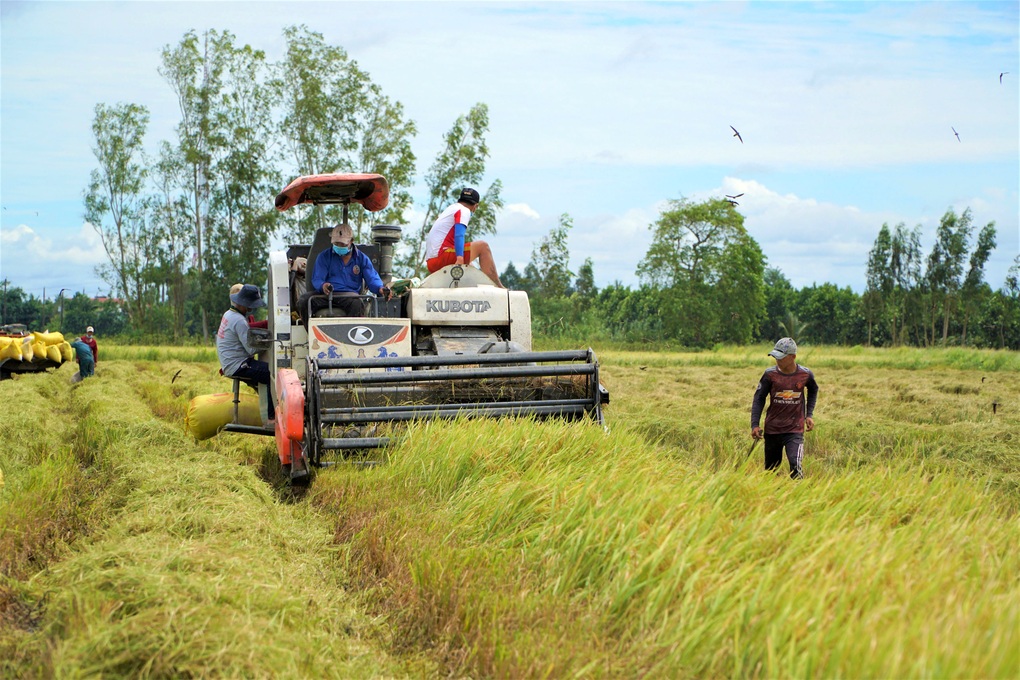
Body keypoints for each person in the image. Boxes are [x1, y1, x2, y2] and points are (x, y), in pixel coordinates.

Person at [296, 223, 391, 327]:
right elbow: (317, 278)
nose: (339, 247)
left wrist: (380, 288)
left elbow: (372, 278)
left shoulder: (361, 259)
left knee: (357, 304)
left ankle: (351, 336)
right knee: (304, 300)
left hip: (349, 296)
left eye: (342, 245)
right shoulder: (324, 256)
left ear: (351, 241)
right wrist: (323, 286)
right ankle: (311, 335)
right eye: (336, 244)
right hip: (326, 295)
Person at [750, 337, 818, 479]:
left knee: (795, 464)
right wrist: (755, 425)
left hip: (794, 429)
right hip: (772, 429)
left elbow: (813, 389)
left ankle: (799, 494)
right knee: (770, 471)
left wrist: (809, 415)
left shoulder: (805, 374)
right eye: (775, 356)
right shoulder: (770, 375)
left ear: (793, 357)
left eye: (781, 357)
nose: (777, 360)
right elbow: (759, 398)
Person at [425, 187, 504, 287]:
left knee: (470, 265)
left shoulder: (452, 208)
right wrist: (459, 258)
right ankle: (498, 286)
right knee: (483, 247)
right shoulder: (464, 210)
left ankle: (476, 287)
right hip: (441, 257)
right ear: (475, 206)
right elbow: (459, 235)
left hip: (431, 262)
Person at [216, 283, 274, 419]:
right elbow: (251, 349)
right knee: (270, 373)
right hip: (238, 365)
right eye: (251, 305)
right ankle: (271, 418)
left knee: (264, 371)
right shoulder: (239, 321)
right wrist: (268, 341)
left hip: (229, 362)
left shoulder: (229, 314)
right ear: (244, 303)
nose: (251, 308)